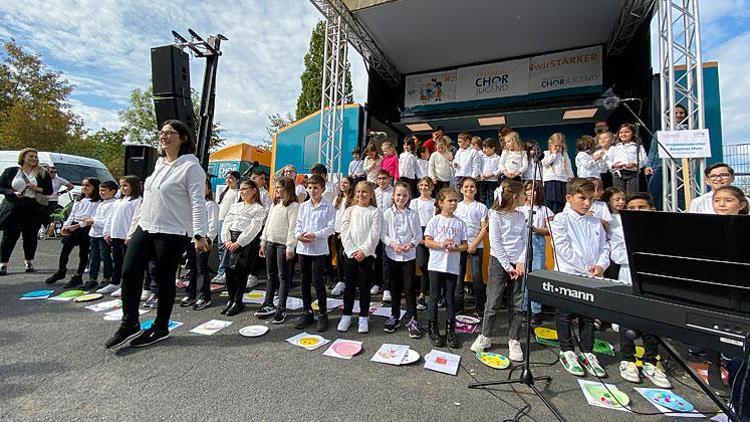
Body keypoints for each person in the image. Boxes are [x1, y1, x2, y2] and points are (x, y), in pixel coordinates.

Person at [105, 119, 209, 349]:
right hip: (146, 226)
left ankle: (160, 327)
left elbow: (197, 203)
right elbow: (147, 200)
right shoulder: (159, 164)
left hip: (172, 231)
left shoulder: (191, 167)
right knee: (129, 272)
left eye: (170, 133)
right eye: (162, 132)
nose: (164, 136)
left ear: (183, 138)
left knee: (164, 279)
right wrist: (134, 229)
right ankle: (129, 322)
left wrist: (200, 234)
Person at [611, 193, 673, 388]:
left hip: (653, 281)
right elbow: (618, 254)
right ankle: (628, 359)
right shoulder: (619, 229)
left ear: (651, 209)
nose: (636, 211)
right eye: (632, 208)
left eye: (641, 207)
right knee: (626, 319)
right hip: (629, 276)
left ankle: (650, 361)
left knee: (651, 320)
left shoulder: (661, 230)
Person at [551, 178, 609, 377]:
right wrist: (585, 268)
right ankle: (567, 350)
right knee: (565, 314)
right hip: (569, 274)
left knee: (588, 315)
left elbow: (604, 246)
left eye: (590, 199)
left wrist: (601, 264)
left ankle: (587, 351)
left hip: (591, 276)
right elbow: (563, 248)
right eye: (582, 198)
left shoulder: (595, 221)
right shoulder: (561, 219)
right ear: (569, 198)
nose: (587, 203)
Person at [470, 180, 526, 362]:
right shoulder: (494, 215)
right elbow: (496, 243)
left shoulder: (520, 216)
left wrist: (520, 262)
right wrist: (508, 267)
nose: (526, 197)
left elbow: (525, 241)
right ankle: (485, 336)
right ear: (516, 197)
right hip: (499, 263)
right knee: (493, 301)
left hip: (518, 265)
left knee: (517, 303)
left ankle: (514, 339)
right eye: (524, 194)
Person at [424, 187, 468, 348]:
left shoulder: (460, 223)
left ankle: (451, 331)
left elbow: (465, 245)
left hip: (452, 265)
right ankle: (433, 328)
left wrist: (455, 247)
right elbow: (427, 241)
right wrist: (441, 244)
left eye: (455, 200)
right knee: (434, 297)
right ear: (441, 203)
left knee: (450, 298)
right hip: (436, 264)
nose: (453, 203)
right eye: (450, 200)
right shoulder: (434, 220)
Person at [0, 148, 53, 275]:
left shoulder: (42, 173)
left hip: (32, 207)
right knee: (9, 237)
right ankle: (3, 264)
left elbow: (49, 191)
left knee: (30, 237)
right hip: (14, 206)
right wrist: (12, 192)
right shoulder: (11, 171)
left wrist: (37, 188)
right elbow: (1, 187)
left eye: (35, 157)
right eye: (31, 156)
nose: (34, 159)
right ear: (23, 157)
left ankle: (29, 261)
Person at [294, 174, 336, 332]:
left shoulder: (328, 206)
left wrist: (316, 235)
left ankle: (323, 314)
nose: (312, 190)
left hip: (318, 249)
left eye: (316, 188)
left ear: (322, 189)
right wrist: (299, 236)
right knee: (304, 281)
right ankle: (307, 312)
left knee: (318, 282)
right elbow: (298, 224)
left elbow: (331, 228)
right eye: (310, 187)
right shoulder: (303, 206)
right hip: (303, 248)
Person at [338, 180, 381, 334]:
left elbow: (374, 234)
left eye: (364, 192)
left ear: (370, 195)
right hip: (350, 254)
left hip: (366, 255)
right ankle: (347, 314)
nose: (361, 194)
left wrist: (364, 250)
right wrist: (351, 250)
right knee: (349, 286)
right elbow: (344, 231)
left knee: (364, 287)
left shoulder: (375, 212)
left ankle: (363, 316)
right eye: (358, 192)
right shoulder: (349, 210)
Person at [381, 181, 422, 336]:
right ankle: (395, 315)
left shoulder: (413, 214)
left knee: (410, 288)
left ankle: (413, 319)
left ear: (409, 197)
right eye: (398, 195)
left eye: (404, 195)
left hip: (408, 256)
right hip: (392, 255)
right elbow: (383, 234)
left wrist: (411, 244)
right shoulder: (386, 214)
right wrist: (393, 244)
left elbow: (418, 235)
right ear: (393, 196)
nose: (401, 198)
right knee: (394, 288)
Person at [220, 179, 265, 317]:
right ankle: (231, 299)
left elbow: (253, 228)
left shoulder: (259, 209)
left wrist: (239, 243)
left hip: (245, 242)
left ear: (253, 191)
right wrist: (226, 239)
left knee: (241, 273)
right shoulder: (235, 206)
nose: (242, 192)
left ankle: (238, 301)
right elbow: (227, 222)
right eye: (241, 189)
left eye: (245, 189)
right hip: (230, 239)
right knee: (228, 271)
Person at [45, 178, 101, 288]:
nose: (84, 187)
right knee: (65, 249)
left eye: (88, 185)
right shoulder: (79, 199)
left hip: (85, 227)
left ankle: (78, 276)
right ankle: (61, 271)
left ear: (95, 187)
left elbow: (91, 218)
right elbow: (72, 214)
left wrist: (75, 226)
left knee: (83, 252)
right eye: (83, 185)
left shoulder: (97, 202)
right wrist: (66, 226)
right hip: (73, 226)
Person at [257, 177, 299, 323]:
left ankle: (281, 308)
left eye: (280, 187)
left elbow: (293, 228)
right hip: (270, 243)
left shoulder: (293, 206)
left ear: (288, 189)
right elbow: (268, 224)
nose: (277, 190)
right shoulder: (275, 205)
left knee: (283, 277)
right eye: (276, 187)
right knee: (271, 275)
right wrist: (263, 242)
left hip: (283, 245)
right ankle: (268, 303)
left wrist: (290, 247)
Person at [98, 176, 142, 295]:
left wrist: (130, 235)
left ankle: (127, 285)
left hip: (126, 236)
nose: (122, 188)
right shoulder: (119, 200)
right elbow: (110, 217)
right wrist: (107, 232)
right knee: (117, 261)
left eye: (125, 185)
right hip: (116, 234)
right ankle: (115, 282)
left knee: (127, 263)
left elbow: (136, 220)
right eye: (121, 186)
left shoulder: (137, 201)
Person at [517, 180, 552, 325]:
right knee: (524, 278)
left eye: (534, 190)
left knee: (535, 277)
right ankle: (524, 309)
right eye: (528, 189)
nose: (531, 193)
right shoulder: (519, 209)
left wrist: (536, 230)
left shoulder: (545, 210)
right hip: (521, 244)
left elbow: (551, 229)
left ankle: (536, 311)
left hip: (537, 242)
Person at [181, 178, 220, 310]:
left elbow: (212, 225)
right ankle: (191, 294)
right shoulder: (191, 205)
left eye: (203, 187)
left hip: (203, 241)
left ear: (208, 189)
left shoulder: (210, 205)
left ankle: (204, 297)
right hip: (189, 240)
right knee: (191, 268)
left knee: (202, 269)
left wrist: (208, 239)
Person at [453, 177, 488, 317]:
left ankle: (480, 308)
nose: (469, 189)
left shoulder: (481, 207)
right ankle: (458, 306)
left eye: (472, 186)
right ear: (461, 189)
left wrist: (474, 244)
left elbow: (484, 228)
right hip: (460, 246)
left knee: (477, 276)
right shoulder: (457, 206)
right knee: (458, 277)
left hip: (476, 245)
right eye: (466, 187)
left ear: (476, 189)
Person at [82, 180, 117, 290]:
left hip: (103, 234)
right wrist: (90, 220)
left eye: (104, 190)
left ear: (112, 192)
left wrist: (93, 221)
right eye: (100, 190)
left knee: (105, 256)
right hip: (94, 233)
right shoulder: (102, 203)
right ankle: (92, 278)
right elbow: (97, 217)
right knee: (94, 256)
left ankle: (107, 278)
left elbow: (108, 221)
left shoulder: (114, 204)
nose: (101, 193)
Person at [410, 177, 435, 312]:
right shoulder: (414, 202)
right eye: (422, 185)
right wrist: (419, 236)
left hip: (431, 234)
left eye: (427, 185)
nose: (424, 187)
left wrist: (429, 237)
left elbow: (435, 220)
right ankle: (423, 292)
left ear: (431, 187)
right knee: (422, 264)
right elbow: (413, 219)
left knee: (433, 265)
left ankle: (427, 294)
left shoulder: (434, 202)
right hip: (418, 232)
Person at [212, 170, 241, 284]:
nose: (228, 180)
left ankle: (223, 272)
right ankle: (222, 270)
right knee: (220, 246)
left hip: (228, 221)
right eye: (227, 178)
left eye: (231, 178)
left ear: (237, 180)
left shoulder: (237, 192)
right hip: (220, 219)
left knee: (225, 246)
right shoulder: (225, 190)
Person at [609, 123, 650, 194]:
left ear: (633, 133)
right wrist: (613, 165)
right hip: (618, 173)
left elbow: (645, 159)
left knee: (632, 194)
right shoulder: (614, 147)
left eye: (627, 132)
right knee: (619, 194)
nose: (623, 134)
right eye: (621, 132)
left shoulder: (637, 146)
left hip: (633, 173)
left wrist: (635, 164)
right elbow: (608, 160)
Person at [330, 177, 354, 297]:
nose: (343, 185)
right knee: (338, 257)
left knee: (344, 256)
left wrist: (345, 232)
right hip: (336, 230)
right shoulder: (337, 198)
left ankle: (347, 281)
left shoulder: (353, 199)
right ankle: (341, 280)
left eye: (346, 183)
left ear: (350, 185)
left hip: (347, 232)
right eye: (341, 183)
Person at [372, 170, 393, 299]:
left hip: (388, 230)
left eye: (384, 178)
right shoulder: (374, 192)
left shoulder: (393, 192)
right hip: (375, 229)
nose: (381, 181)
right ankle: (376, 283)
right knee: (375, 258)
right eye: (379, 178)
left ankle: (387, 287)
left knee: (386, 260)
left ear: (389, 179)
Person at [541, 132, 574, 213]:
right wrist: (554, 155)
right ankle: (548, 218)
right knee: (549, 202)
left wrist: (571, 177)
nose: (558, 148)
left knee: (562, 203)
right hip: (550, 180)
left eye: (560, 146)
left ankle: (560, 218)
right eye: (555, 146)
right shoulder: (546, 153)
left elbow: (568, 167)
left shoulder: (564, 154)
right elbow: (545, 163)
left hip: (562, 180)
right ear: (550, 144)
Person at [479, 138, 500, 209]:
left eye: (486, 148)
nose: (484, 150)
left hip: (493, 181)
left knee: (492, 198)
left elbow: (500, 169)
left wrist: (492, 174)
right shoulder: (481, 157)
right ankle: (482, 213)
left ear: (493, 148)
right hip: (483, 180)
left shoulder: (497, 158)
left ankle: (492, 213)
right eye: (483, 148)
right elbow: (478, 167)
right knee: (482, 198)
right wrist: (481, 174)